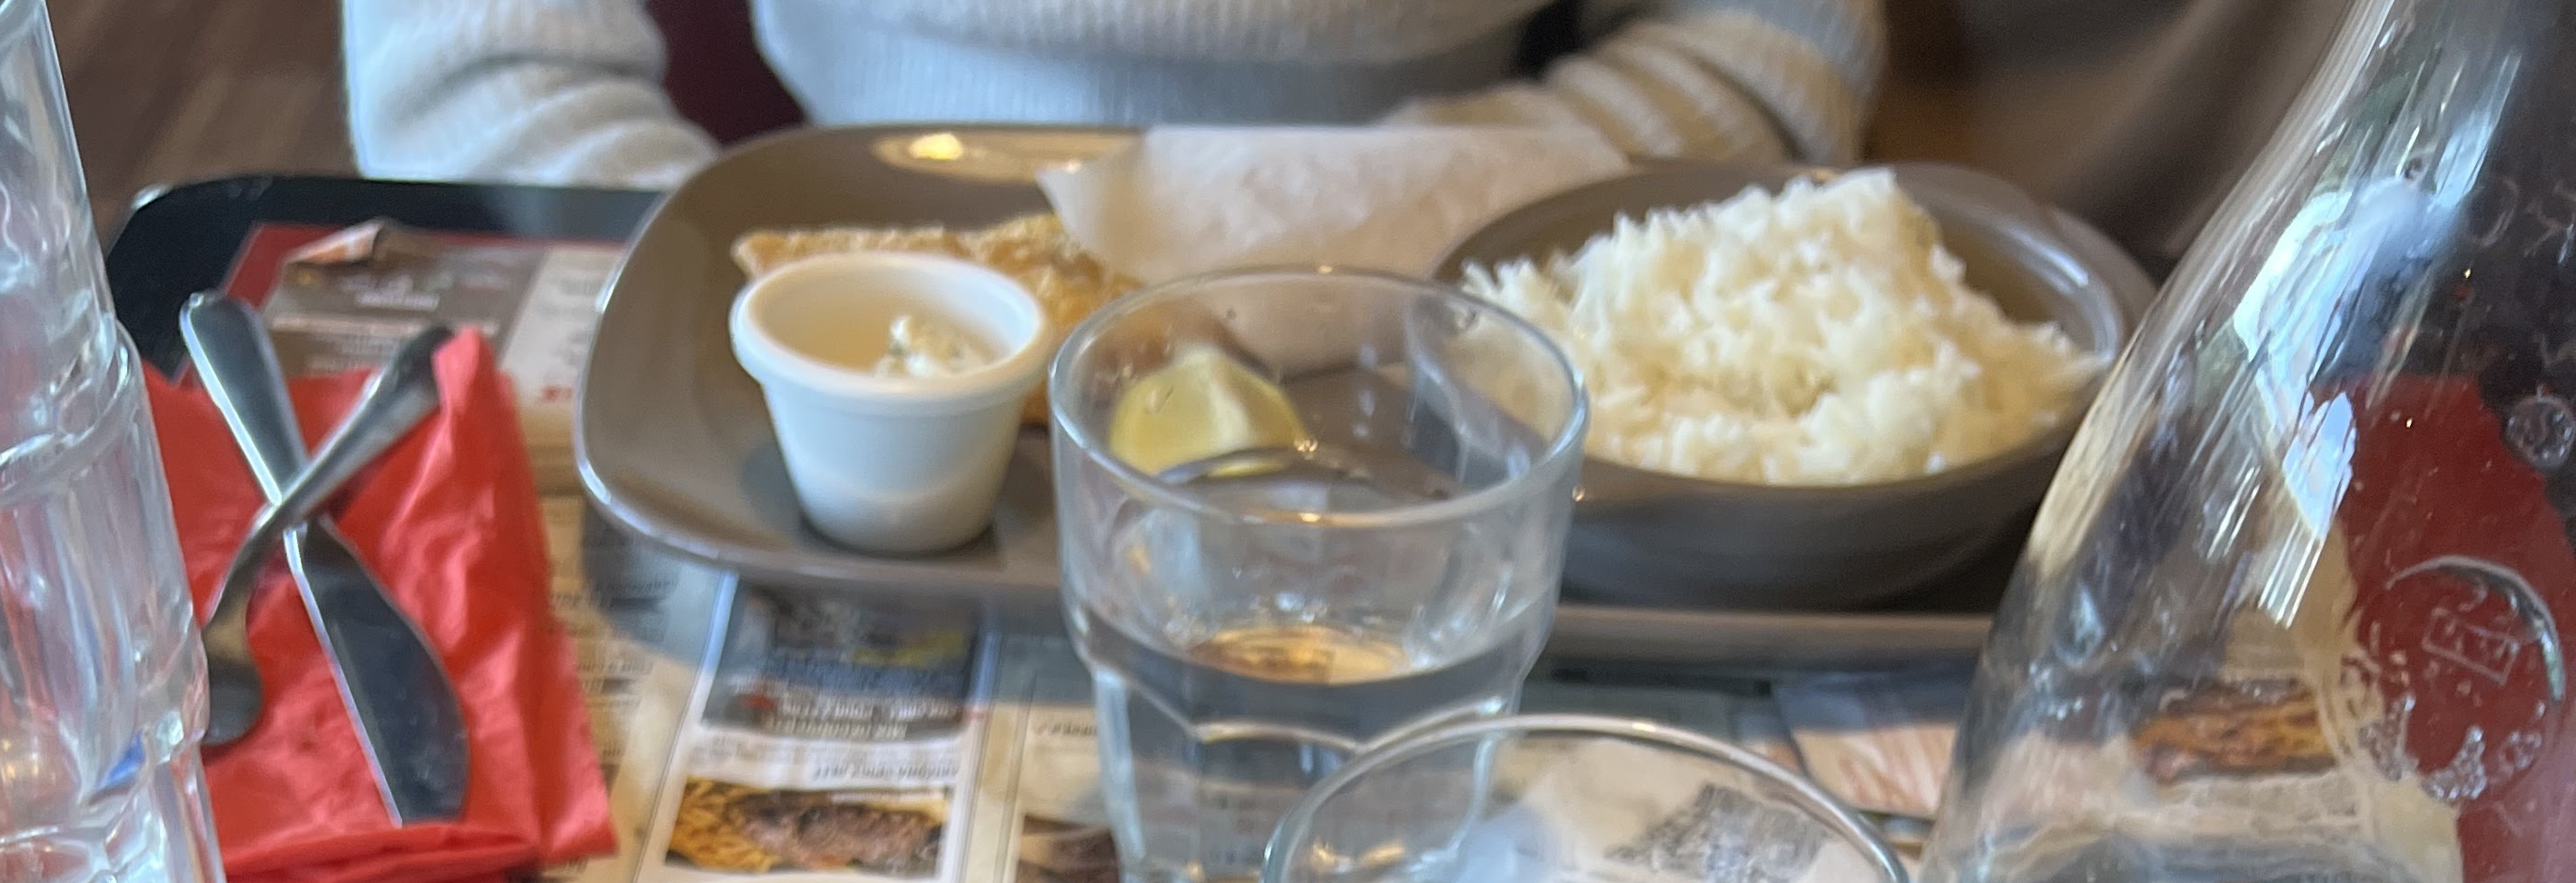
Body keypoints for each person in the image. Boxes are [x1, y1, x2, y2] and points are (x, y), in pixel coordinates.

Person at [341, 0, 2351, 260]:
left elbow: (1770, 36)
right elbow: (471, 76)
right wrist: (812, 306)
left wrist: (1265, 244)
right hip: (805, 328)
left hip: (1486, 290)